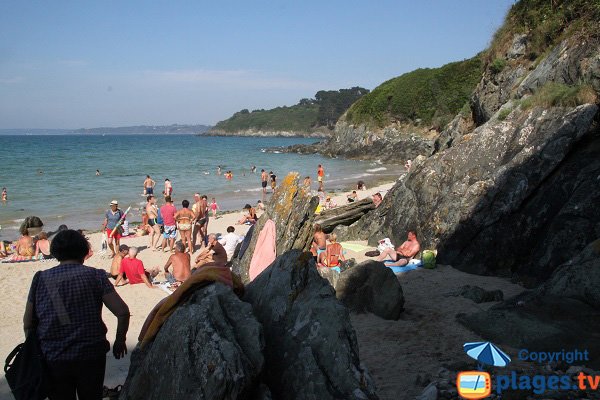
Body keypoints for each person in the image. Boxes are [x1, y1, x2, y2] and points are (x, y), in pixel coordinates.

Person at [23, 229, 130, 400]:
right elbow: (122, 312)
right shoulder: (96, 276)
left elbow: (28, 322)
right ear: (83, 251)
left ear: (56, 252)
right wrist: (120, 340)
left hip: (53, 356)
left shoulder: (41, 278)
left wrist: (35, 351)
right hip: (91, 353)